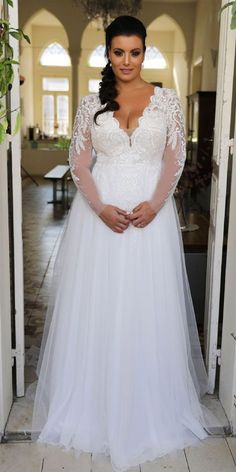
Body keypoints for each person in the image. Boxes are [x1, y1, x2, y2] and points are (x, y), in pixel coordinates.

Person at [31, 15, 219, 472]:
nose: (127, 61)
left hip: (149, 221)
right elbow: (78, 163)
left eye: (135, 52)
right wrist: (99, 207)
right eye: (119, 52)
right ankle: (95, 401)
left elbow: (175, 160)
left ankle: (147, 401)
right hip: (101, 219)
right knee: (99, 307)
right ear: (107, 53)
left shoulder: (168, 101)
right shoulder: (89, 103)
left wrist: (155, 206)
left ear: (145, 52)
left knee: (146, 307)